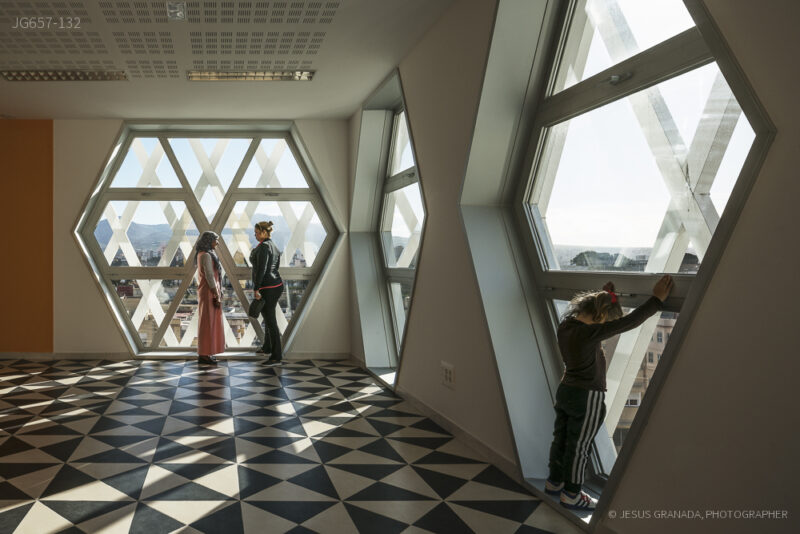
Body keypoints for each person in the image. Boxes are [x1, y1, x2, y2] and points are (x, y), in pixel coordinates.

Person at [545, 275, 674, 510]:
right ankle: (572, 494)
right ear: (600, 316)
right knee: (579, 446)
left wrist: (606, 298)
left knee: (561, 438)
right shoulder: (588, 334)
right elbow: (628, 323)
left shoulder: (566, 326)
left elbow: (600, 320)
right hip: (587, 396)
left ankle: (554, 483)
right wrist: (655, 301)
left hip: (566, 390)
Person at [250, 221, 283, 365]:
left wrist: (256, 288)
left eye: (257, 232)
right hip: (276, 285)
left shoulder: (264, 247)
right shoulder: (273, 245)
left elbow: (262, 269)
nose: (255, 235)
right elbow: (276, 267)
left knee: (270, 321)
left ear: (264, 232)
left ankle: (276, 356)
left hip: (267, 287)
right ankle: (267, 347)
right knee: (269, 318)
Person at [195, 231, 225, 365]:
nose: (217, 243)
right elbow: (210, 276)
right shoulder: (206, 255)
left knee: (208, 322)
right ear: (209, 241)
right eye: (215, 240)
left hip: (207, 291)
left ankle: (207, 352)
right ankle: (204, 354)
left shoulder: (201, 254)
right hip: (209, 292)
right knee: (208, 323)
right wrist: (216, 294)